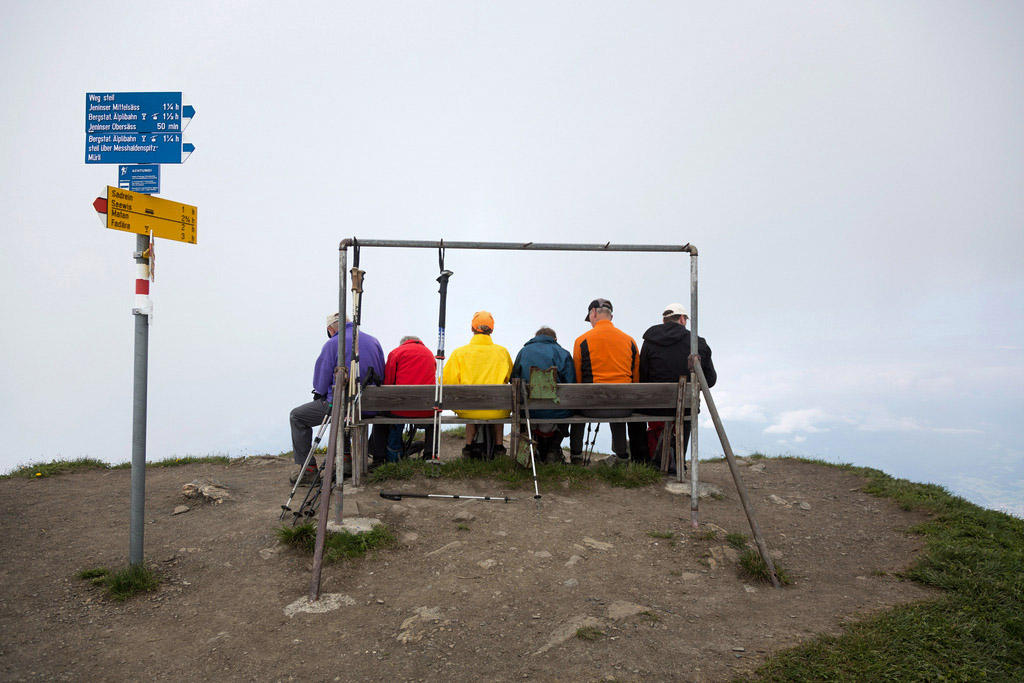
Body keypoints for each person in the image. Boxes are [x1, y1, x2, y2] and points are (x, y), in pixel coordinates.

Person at [288, 313, 385, 484]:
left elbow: (320, 384)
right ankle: (345, 459)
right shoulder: (373, 341)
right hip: (371, 406)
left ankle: (309, 470)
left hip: (344, 406)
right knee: (343, 409)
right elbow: (382, 374)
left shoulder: (333, 344)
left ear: (330, 330)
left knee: (297, 416)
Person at [569, 298, 648, 464]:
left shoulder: (581, 341)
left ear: (594, 313)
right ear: (610, 317)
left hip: (591, 407)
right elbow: (636, 379)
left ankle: (576, 456)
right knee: (618, 398)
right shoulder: (630, 341)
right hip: (624, 408)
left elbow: (577, 379)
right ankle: (622, 456)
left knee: (576, 404)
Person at [639, 302, 716, 468]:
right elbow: (710, 380)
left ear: (664, 320)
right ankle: (679, 459)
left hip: (654, 407)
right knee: (688, 412)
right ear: (682, 319)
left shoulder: (649, 342)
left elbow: (642, 377)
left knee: (657, 412)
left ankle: (658, 458)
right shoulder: (698, 343)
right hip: (686, 407)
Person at [442, 311, 513, 458]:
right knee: (500, 405)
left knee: (469, 404)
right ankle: (499, 447)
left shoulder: (459, 353)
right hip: (497, 409)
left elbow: (446, 382)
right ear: (492, 330)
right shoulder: (502, 352)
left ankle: (468, 447)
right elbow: (511, 377)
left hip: (469, 408)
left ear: (472, 329)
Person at [511, 327, 576, 463]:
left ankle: (535, 448)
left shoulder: (523, 352)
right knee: (571, 406)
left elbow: (514, 380)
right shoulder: (563, 353)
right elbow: (571, 385)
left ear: (535, 338)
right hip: (557, 411)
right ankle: (553, 448)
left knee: (520, 406)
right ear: (555, 339)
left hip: (529, 411)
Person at [383, 335, 437, 462]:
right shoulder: (430, 354)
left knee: (395, 419)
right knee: (433, 420)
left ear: (403, 343)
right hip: (426, 410)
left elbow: (388, 383)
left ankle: (394, 456)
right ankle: (430, 455)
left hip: (401, 409)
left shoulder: (396, 353)